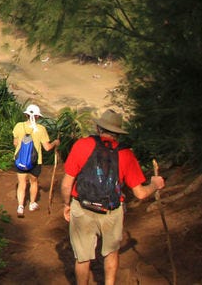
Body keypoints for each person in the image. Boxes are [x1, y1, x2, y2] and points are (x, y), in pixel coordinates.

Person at [60, 109, 166, 285]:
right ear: (118, 133)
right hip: (111, 212)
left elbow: (66, 184)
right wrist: (155, 184)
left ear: (98, 127)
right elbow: (140, 193)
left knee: (83, 258)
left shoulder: (82, 145)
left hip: (83, 208)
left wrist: (66, 204)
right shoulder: (126, 154)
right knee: (111, 253)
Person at [12, 103, 59, 217]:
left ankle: (20, 207)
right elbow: (47, 148)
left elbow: (15, 143)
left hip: (20, 160)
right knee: (33, 182)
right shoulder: (41, 129)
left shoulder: (18, 126)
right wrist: (55, 143)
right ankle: (32, 204)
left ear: (26, 115)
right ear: (37, 117)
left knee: (22, 183)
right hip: (35, 161)